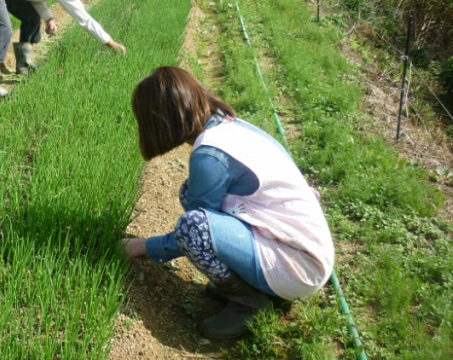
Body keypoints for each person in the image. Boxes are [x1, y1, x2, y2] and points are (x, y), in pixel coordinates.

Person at [123, 66, 335, 340]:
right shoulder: (226, 124)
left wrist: (144, 246)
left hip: (298, 267)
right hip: (304, 249)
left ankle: (250, 304)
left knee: (194, 227)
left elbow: (197, 231)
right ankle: (246, 282)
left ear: (163, 119)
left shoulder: (209, 155)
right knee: (191, 194)